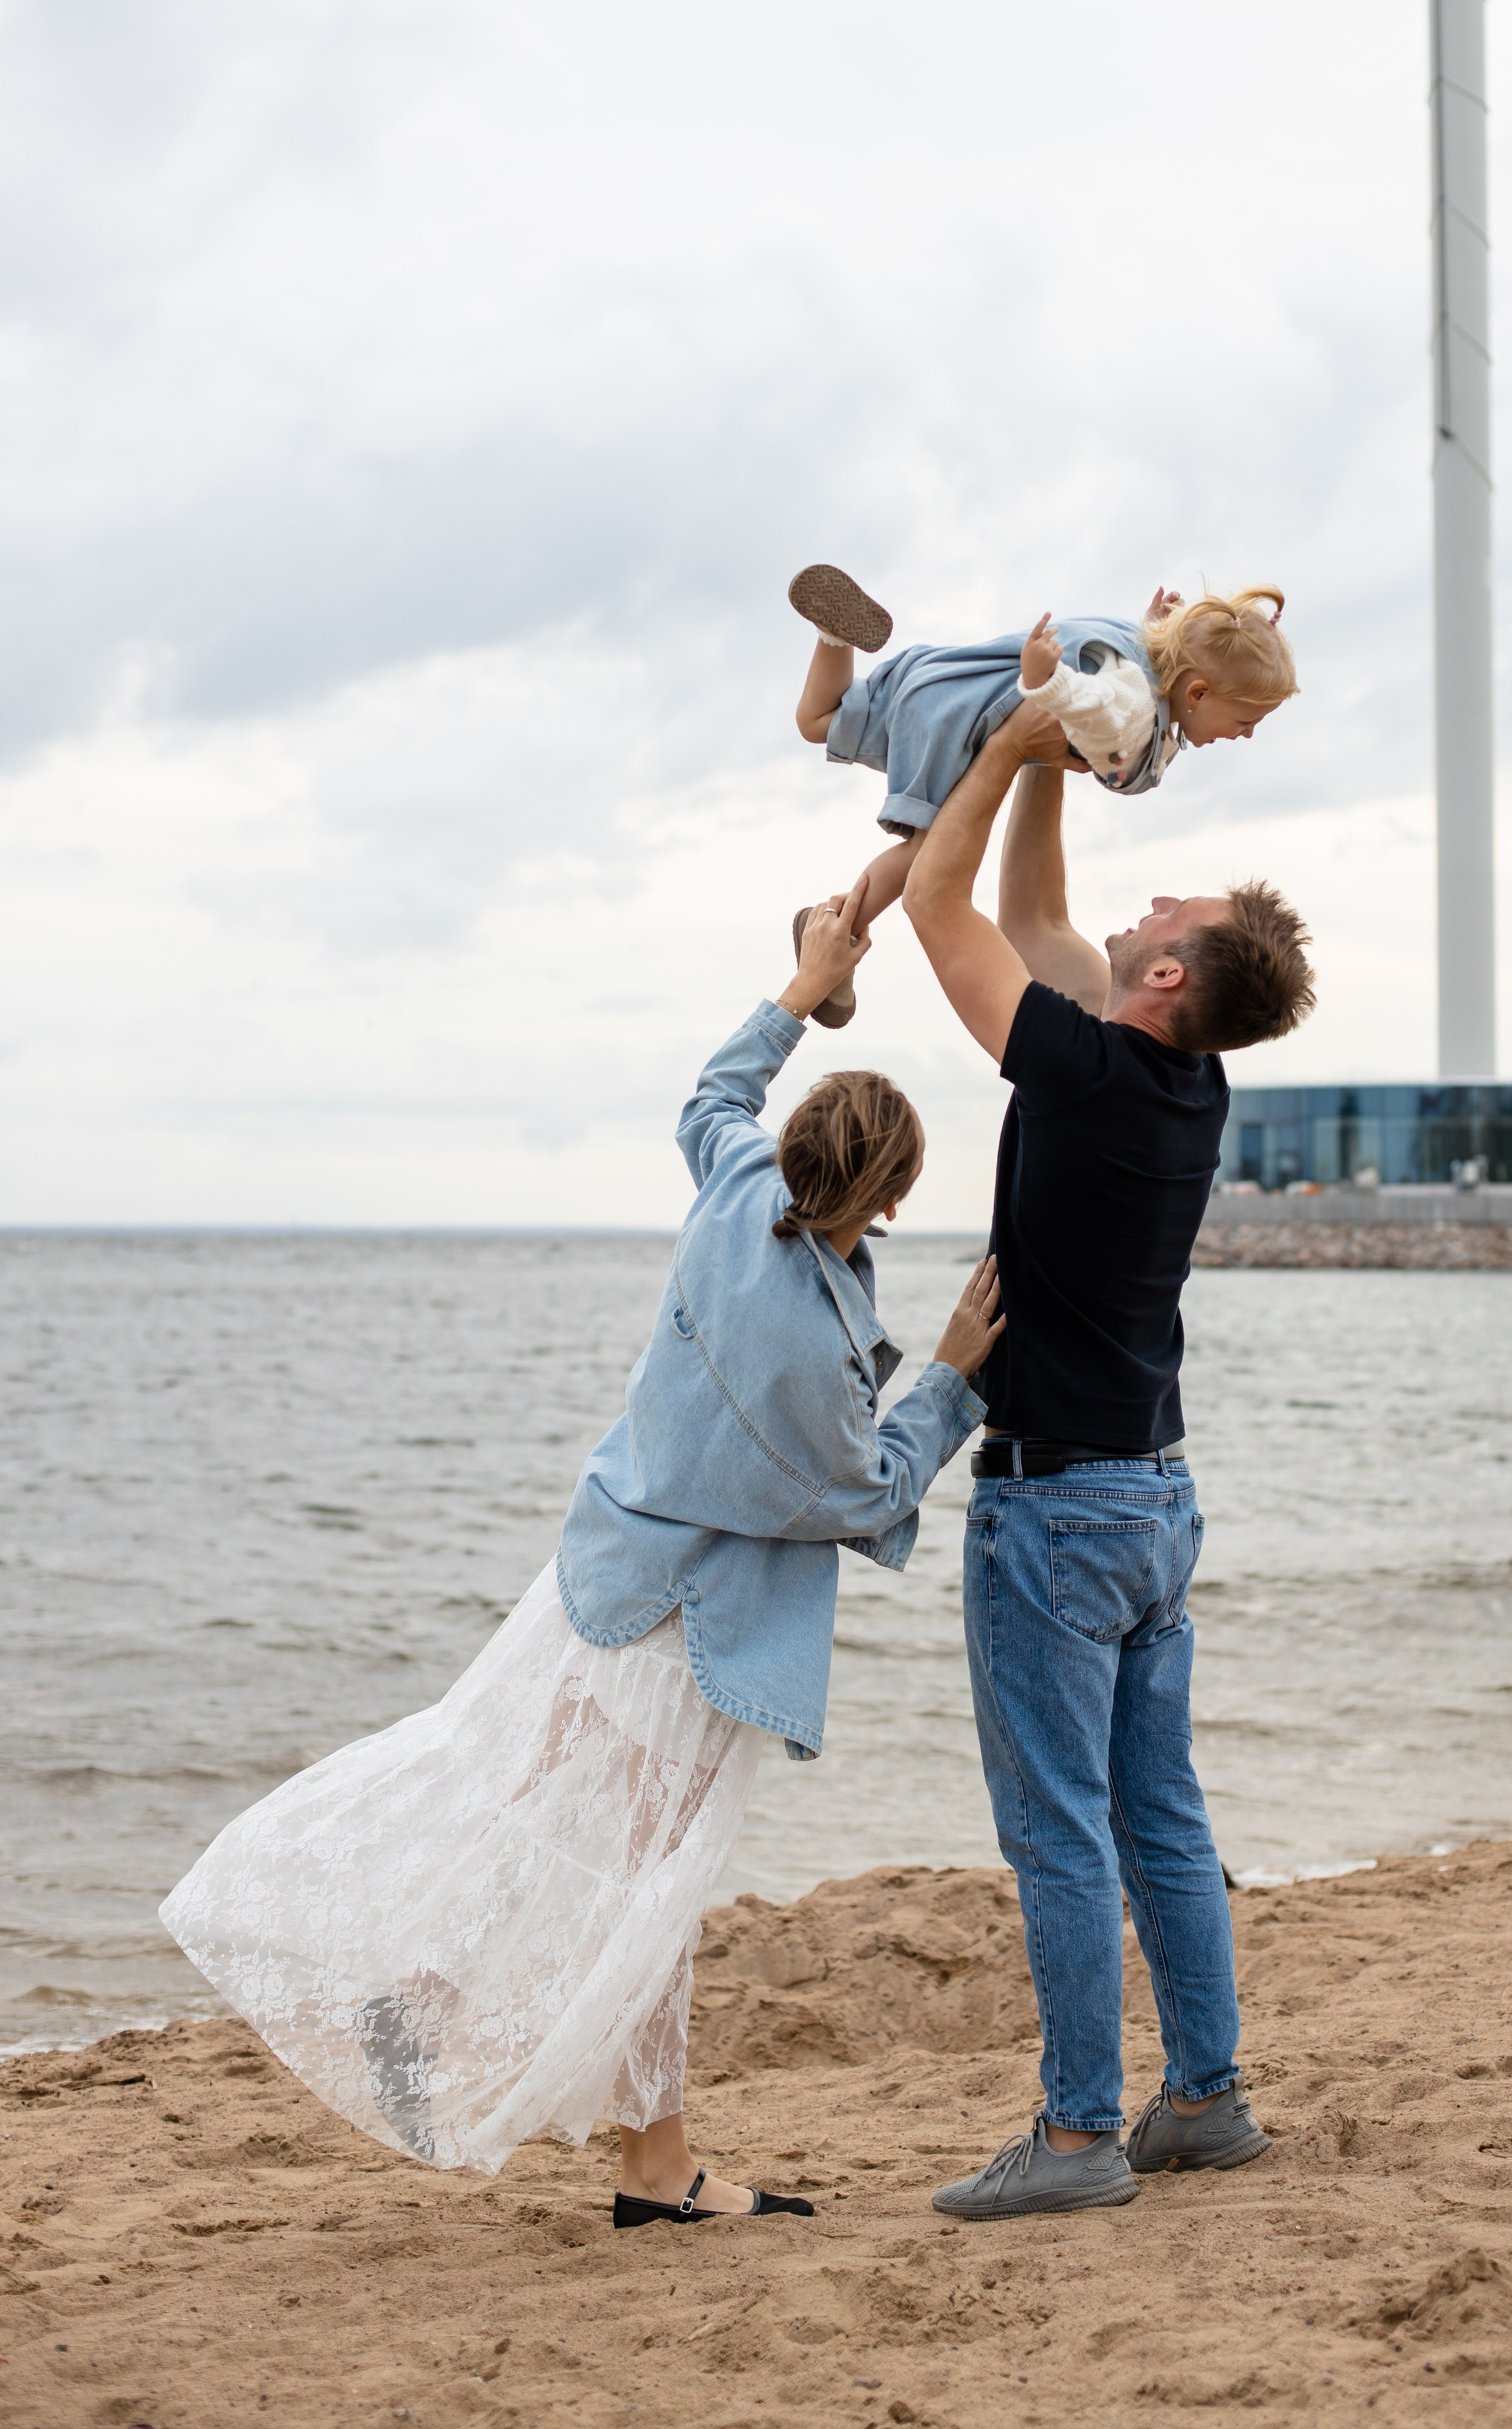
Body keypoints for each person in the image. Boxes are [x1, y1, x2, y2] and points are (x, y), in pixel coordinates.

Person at [160, 889, 1001, 2221]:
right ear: (890, 1196)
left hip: (595, 1583)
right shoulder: (815, 1346)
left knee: (530, 1811)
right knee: (642, 1885)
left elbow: (710, 1094)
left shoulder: (734, 1191)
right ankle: (570, 2105)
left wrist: (803, 983)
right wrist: (951, 1377)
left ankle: (570, 2098)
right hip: (691, 1635)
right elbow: (863, 1492)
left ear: (796, 1153)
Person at [898, 710, 1315, 2220]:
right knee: (1160, 1814)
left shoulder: (1078, 1075)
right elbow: (1032, 918)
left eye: (1170, 916)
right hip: (1150, 1501)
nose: (1148, 906)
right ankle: (1202, 2099)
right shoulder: (1181, 1085)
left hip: (1061, 1509)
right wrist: (1067, 754)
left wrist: (1009, 738)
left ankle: (1077, 2136)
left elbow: (947, 916)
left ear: (1162, 982)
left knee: (1061, 1831)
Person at [784, 561, 1298, 1025]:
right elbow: (1094, 701)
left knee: (817, 720)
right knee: (924, 857)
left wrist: (1156, 626)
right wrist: (1046, 686)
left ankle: (834, 635)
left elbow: (1120, 672)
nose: (1246, 734)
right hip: (959, 726)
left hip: (946, 683)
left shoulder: (1137, 656)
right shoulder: (1135, 713)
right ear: (1198, 693)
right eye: (1245, 720)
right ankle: (838, 924)